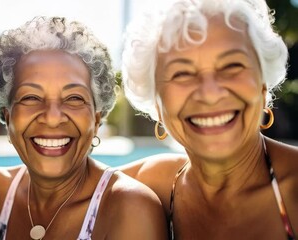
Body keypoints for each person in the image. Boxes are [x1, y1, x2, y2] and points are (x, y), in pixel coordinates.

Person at [120, 0, 298, 239]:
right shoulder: (141, 187)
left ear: (263, 86)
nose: (210, 93)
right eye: (182, 73)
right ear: (156, 102)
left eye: (232, 66)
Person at [0, 16, 168, 240]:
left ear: (97, 119)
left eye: (74, 98)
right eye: (31, 97)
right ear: (7, 116)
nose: (52, 118)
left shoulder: (129, 209)